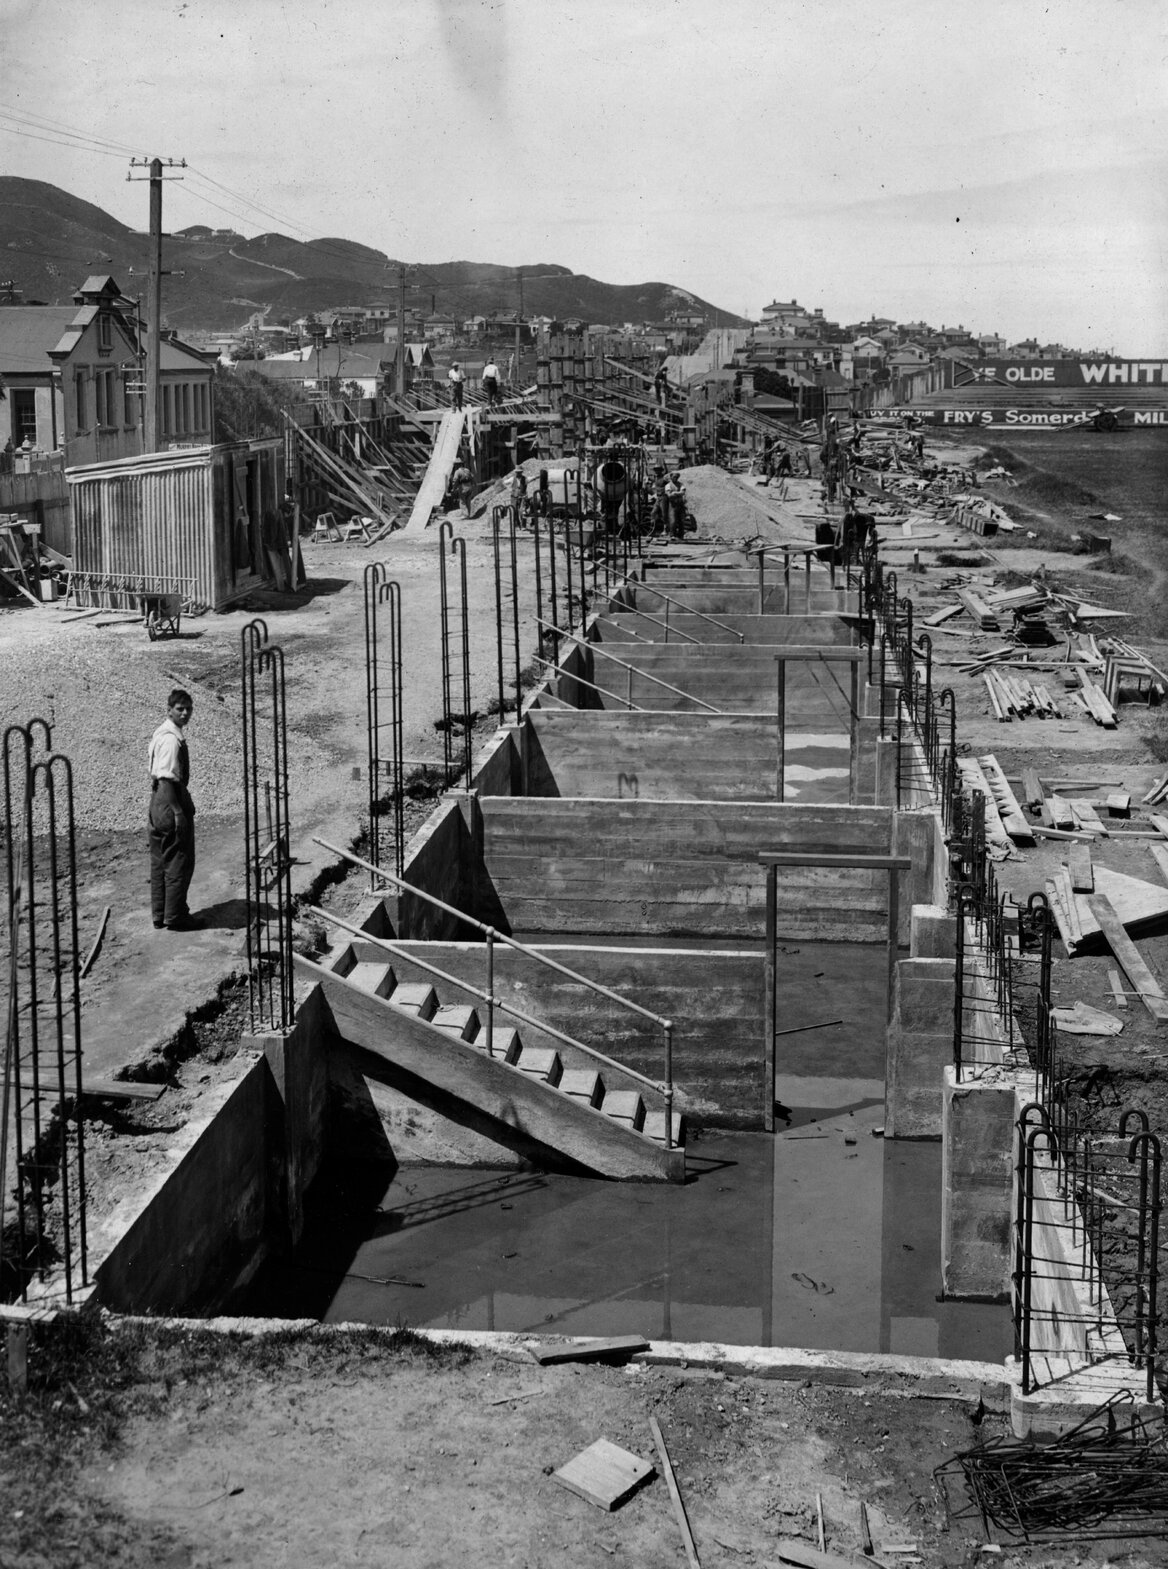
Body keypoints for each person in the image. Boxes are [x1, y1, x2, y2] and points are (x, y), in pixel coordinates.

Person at [148, 689, 200, 931]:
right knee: (179, 859)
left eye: (188, 708)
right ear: (169, 709)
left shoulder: (163, 732)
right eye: (180, 708)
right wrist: (178, 812)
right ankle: (176, 917)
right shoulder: (170, 739)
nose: (185, 713)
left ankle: (160, 915)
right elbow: (167, 778)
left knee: (160, 860)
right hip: (169, 800)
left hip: (157, 802)